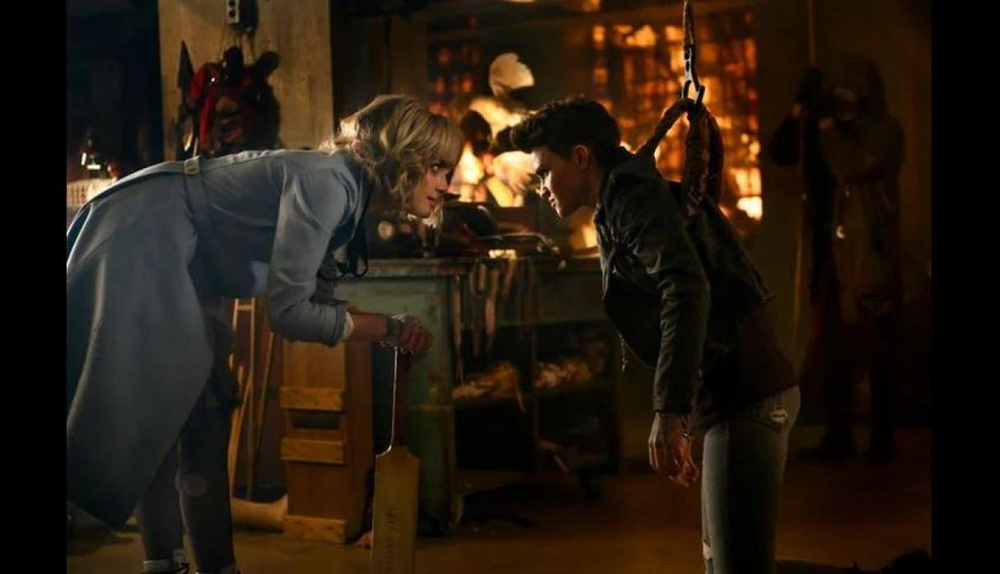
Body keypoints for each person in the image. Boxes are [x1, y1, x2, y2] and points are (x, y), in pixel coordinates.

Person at [67, 95, 461, 574]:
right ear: (403, 157)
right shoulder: (328, 183)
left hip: (186, 256)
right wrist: (386, 328)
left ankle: (216, 566)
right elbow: (289, 314)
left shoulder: (349, 197)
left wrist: (387, 328)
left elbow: (314, 301)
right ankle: (165, 564)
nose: (446, 186)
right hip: (145, 230)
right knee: (161, 411)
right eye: (437, 169)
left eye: (449, 172)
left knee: (207, 410)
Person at [509, 96, 798, 573]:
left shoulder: (631, 197)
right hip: (731, 396)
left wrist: (669, 412)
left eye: (544, 172)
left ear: (580, 157)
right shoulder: (619, 199)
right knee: (724, 564)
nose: (540, 188)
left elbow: (685, 287)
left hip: (748, 393)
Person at [769, 58, 903, 463]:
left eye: (849, 94)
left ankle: (882, 437)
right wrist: (799, 108)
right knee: (831, 346)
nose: (841, 104)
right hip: (827, 250)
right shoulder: (826, 129)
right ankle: (839, 432)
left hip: (865, 252)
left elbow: (849, 166)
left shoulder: (883, 132)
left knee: (876, 341)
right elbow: (780, 152)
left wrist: (827, 129)